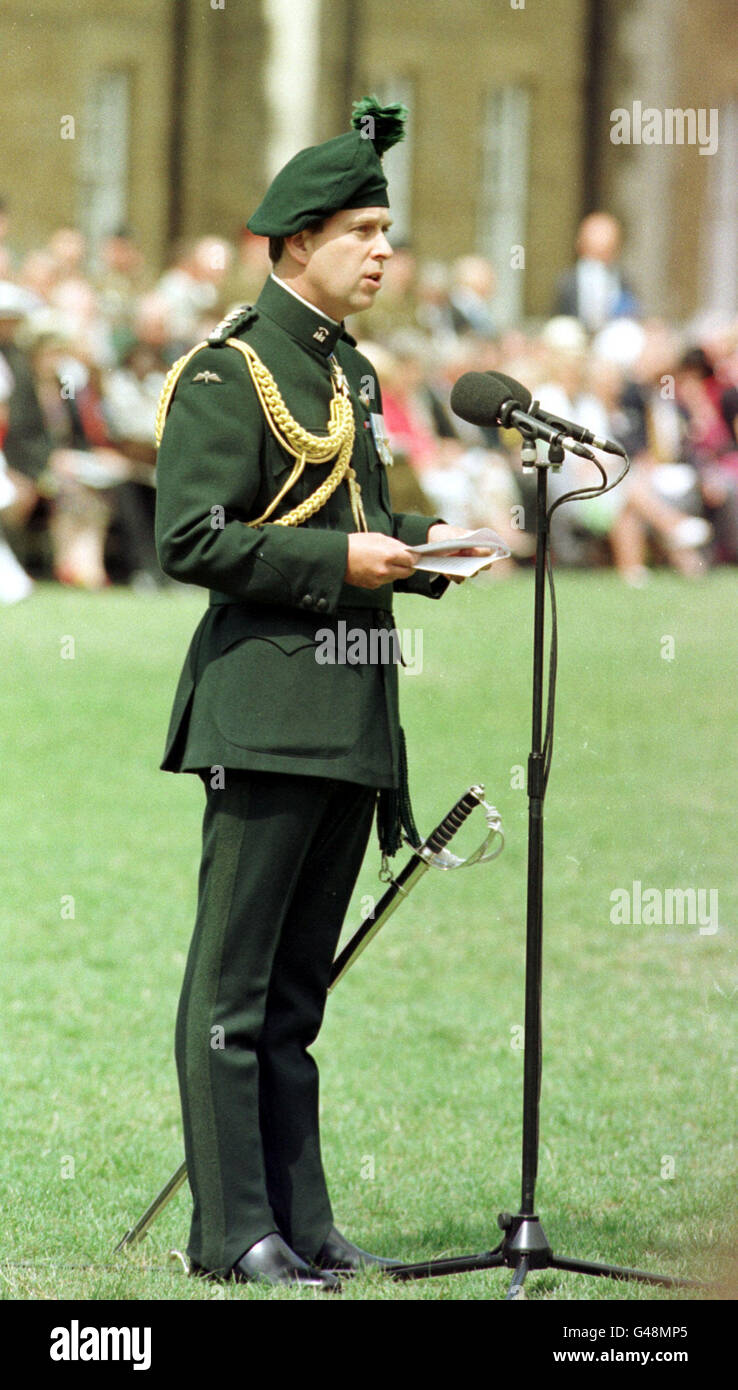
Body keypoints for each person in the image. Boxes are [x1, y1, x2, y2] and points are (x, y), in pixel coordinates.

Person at [154, 96, 480, 1289]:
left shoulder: (350, 368)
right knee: (234, 988)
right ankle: (233, 1234)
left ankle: (306, 1223)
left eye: (385, 228)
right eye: (360, 229)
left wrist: (427, 541)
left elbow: (347, 521)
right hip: (262, 711)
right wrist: (344, 560)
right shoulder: (229, 370)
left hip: (351, 711)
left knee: (297, 997)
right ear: (296, 244)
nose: (382, 250)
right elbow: (189, 536)